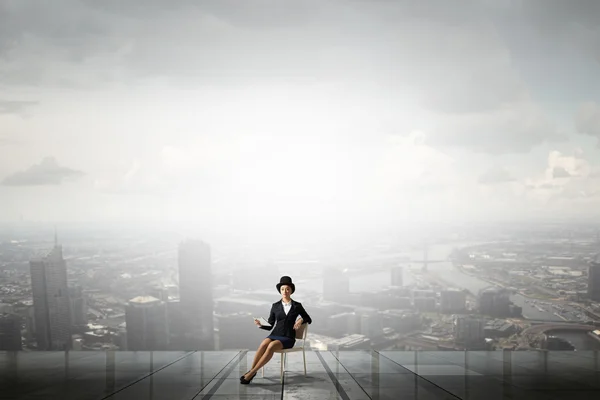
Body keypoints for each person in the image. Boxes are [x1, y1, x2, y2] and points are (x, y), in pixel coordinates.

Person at [240, 276, 312, 384]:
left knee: (271, 346)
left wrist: (300, 320)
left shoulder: (297, 306)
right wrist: (260, 325)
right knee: (264, 344)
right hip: (275, 334)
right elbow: (270, 325)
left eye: (287, 289)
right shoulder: (275, 306)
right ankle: (252, 371)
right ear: (280, 291)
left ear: (291, 291)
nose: (285, 291)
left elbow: (308, 319)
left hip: (288, 337)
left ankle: (251, 373)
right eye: (282, 289)